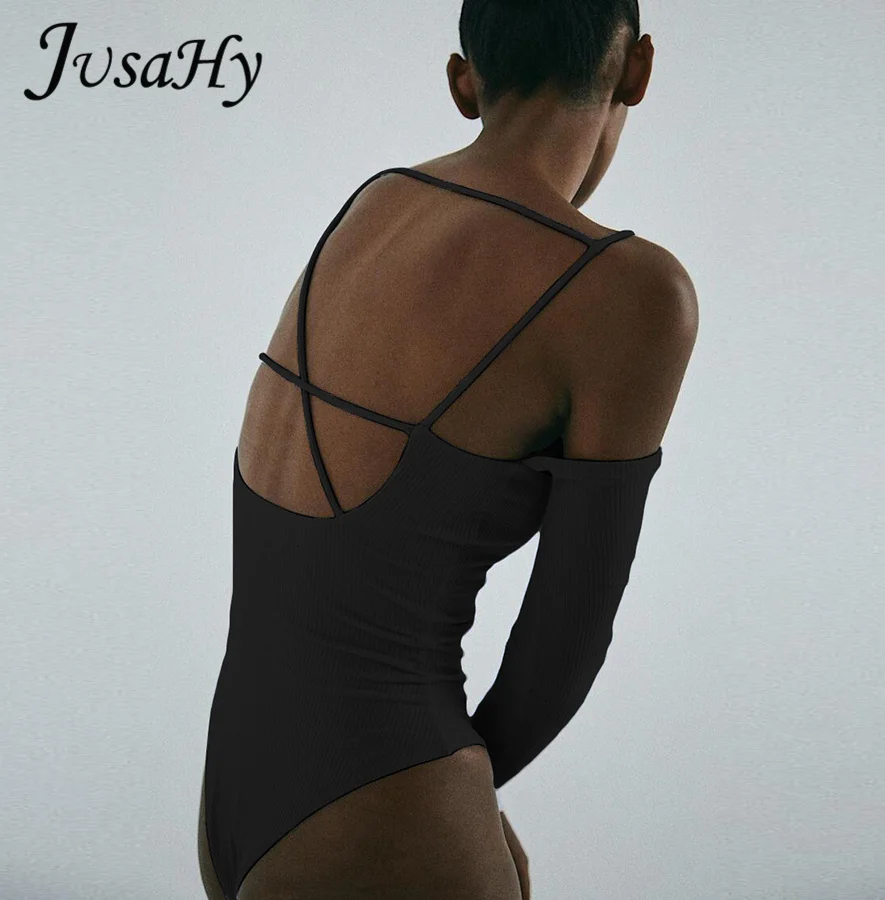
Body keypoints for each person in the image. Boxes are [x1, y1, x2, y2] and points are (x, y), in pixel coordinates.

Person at [197, 1, 698, 898]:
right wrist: (445, 791)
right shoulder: (630, 290)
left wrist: (444, 799)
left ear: (464, 82)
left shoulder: (375, 205)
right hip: (382, 805)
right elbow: (566, 640)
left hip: (232, 781)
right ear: (638, 68)